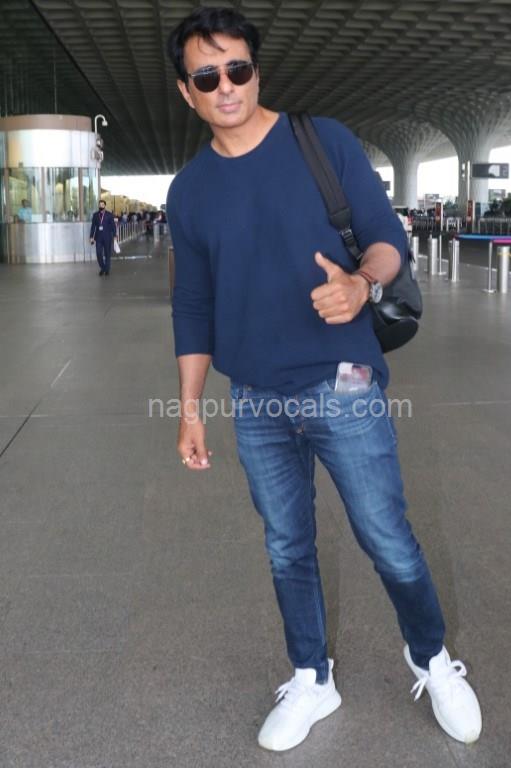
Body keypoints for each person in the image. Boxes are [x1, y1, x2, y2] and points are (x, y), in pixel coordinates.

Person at [166, 6, 482, 753]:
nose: (226, 86)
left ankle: (432, 659)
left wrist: (360, 286)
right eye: (207, 77)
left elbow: (387, 240)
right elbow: (193, 305)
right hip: (256, 399)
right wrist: (189, 409)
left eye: (237, 68)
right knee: (286, 545)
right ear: (187, 92)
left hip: (344, 382)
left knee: (387, 537)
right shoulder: (190, 192)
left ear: (257, 71)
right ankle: (313, 677)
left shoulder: (321, 140)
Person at [89, 200, 117, 276]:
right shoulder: (95, 215)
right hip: (98, 237)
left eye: (102, 205)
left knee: (107, 254)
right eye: (100, 205)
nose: (101, 206)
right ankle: (103, 268)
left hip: (107, 237)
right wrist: (91, 237)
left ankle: (106, 269)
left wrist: (115, 236)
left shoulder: (109, 215)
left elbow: (113, 226)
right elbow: (93, 226)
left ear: (105, 206)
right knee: (98, 253)